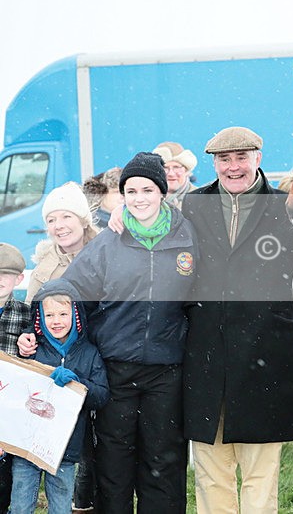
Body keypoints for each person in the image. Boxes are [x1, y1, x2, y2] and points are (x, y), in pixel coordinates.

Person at [20, 152, 197, 513]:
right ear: (123, 196)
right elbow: (64, 294)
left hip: (167, 368)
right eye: (131, 191)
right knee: (114, 461)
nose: (139, 198)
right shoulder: (109, 241)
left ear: (162, 192)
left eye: (147, 189)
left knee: (162, 460)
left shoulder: (187, 235)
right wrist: (32, 330)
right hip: (116, 367)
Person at [181, 127, 293, 514]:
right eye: (224, 159)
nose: (232, 167)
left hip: (265, 358)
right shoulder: (191, 205)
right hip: (206, 359)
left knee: (260, 476)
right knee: (210, 475)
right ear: (214, 163)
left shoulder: (287, 207)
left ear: (258, 157)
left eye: (241, 157)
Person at [10, 279, 109, 514]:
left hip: (66, 448)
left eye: (63, 314)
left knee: (61, 505)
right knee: (21, 504)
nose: (56, 321)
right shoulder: (31, 351)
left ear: (76, 315)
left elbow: (101, 395)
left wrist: (78, 383)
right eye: (50, 315)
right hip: (27, 445)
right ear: (39, 318)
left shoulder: (89, 353)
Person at [25, 182, 99, 303]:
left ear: (84, 222)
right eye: (51, 220)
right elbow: (32, 316)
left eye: (66, 217)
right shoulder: (43, 271)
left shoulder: (105, 257)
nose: (58, 226)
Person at [0, 243, 30, 514]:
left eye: (5, 274)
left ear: (19, 279)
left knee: (5, 481)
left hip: (10, 408)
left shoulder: (25, 313)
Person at [152, 141, 198, 209]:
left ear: (186, 170)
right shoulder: (143, 199)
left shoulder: (200, 199)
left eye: (176, 167)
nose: (171, 174)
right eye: (165, 168)